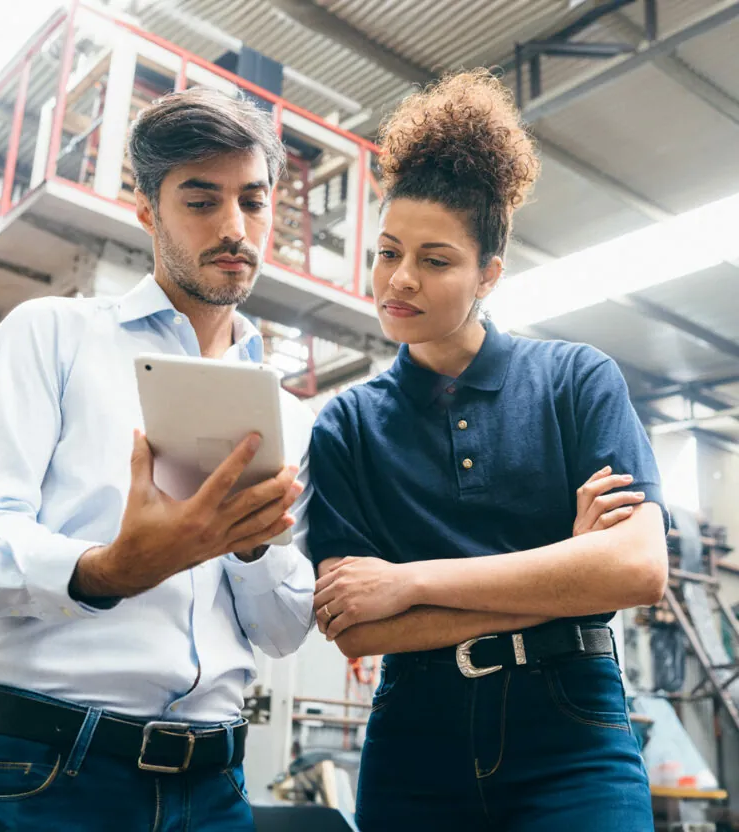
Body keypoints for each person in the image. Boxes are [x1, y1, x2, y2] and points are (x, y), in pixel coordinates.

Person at [0, 88, 316, 832]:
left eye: (253, 202)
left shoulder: (289, 417)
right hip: (35, 774)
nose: (235, 228)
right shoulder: (53, 336)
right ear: (146, 209)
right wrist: (107, 571)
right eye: (201, 201)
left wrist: (255, 548)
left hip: (211, 791)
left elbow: (283, 631)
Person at [307, 70, 668, 832]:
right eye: (387, 252)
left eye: (436, 261)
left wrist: (411, 584)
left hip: (570, 729)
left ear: (488, 275)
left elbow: (635, 569)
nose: (399, 280)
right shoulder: (346, 425)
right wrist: (565, 575)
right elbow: (355, 627)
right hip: (415, 738)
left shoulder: (576, 381)